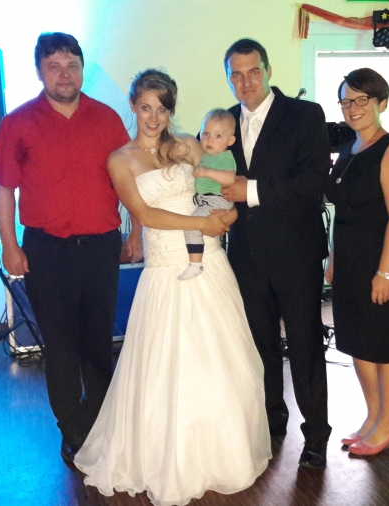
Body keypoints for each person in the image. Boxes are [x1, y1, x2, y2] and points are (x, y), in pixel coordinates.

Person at [74, 69, 271, 506]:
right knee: (168, 364)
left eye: (162, 109)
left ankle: (221, 451)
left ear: (171, 110)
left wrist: (226, 215)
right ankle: (166, 457)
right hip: (166, 267)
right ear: (133, 106)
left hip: (210, 262)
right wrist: (199, 224)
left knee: (219, 359)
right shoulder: (120, 159)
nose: (154, 117)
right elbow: (144, 214)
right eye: (146, 107)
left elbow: (218, 190)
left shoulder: (187, 145)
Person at [0, 32, 138, 464]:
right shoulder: (17, 123)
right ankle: (72, 430)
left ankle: (102, 425)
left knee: (98, 343)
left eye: (72, 65)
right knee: (61, 346)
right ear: (39, 71)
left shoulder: (107, 119)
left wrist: (136, 234)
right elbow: (4, 189)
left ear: (82, 70)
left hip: (101, 249)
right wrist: (10, 245)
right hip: (46, 251)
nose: (64, 74)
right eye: (54, 66)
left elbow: (129, 183)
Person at [220, 38, 332, 469]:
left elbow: (313, 181)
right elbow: (210, 181)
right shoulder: (223, 122)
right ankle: (272, 418)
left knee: (305, 346)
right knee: (259, 344)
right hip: (245, 256)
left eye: (253, 71)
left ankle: (316, 434)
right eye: (236, 74)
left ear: (268, 71)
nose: (246, 81)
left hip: (296, 254)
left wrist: (249, 191)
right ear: (229, 79)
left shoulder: (305, 115)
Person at [324, 68, 389, 456]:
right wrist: (333, 258)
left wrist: (385, 272)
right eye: (346, 100)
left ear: (381, 103)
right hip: (349, 263)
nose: (353, 107)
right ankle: (374, 418)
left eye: (362, 99)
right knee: (360, 346)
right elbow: (341, 213)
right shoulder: (349, 150)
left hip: (380, 264)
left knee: (385, 348)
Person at [178, 108, 238, 281]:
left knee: (192, 225)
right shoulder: (207, 156)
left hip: (217, 200)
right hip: (208, 199)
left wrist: (208, 172)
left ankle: (195, 264)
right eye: (206, 133)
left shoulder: (224, 156)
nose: (210, 139)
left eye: (218, 136)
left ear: (230, 140)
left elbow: (230, 178)